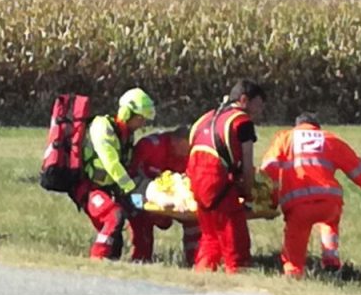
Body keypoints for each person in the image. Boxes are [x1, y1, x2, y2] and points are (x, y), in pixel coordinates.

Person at [259, 112, 361, 277]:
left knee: (295, 242)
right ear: (317, 127)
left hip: (298, 206)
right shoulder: (330, 140)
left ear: (297, 126)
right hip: (329, 203)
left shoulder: (285, 138)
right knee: (329, 222)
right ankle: (331, 261)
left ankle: (293, 275)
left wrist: (269, 200)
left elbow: (269, 170)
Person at [187, 80, 266, 273]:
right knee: (236, 244)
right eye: (259, 104)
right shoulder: (243, 122)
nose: (261, 110)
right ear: (244, 100)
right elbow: (247, 165)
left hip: (197, 186)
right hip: (220, 185)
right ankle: (238, 279)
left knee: (210, 237)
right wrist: (248, 193)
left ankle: (203, 276)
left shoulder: (206, 118)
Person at [73, 88, 156, 260]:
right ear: (128, 113)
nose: (142, 124)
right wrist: (131, 188)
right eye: (140, 119)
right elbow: (111, 162)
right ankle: (97, 260)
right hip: (89, 187)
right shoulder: (102, 127)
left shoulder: (127, 135)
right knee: (114, 216)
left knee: (140, 213)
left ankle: (140, 260)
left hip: (112, 188)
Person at [127, 126, 200, 264]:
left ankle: (195, 260)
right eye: (186, 147)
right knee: (139, 214)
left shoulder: (189, 155)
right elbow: (133, 178)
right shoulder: (150, 146)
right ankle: (140, 259)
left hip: (175, 197)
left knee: (194, 218)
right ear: (175, 141)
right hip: (142, 192)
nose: (187, 153)